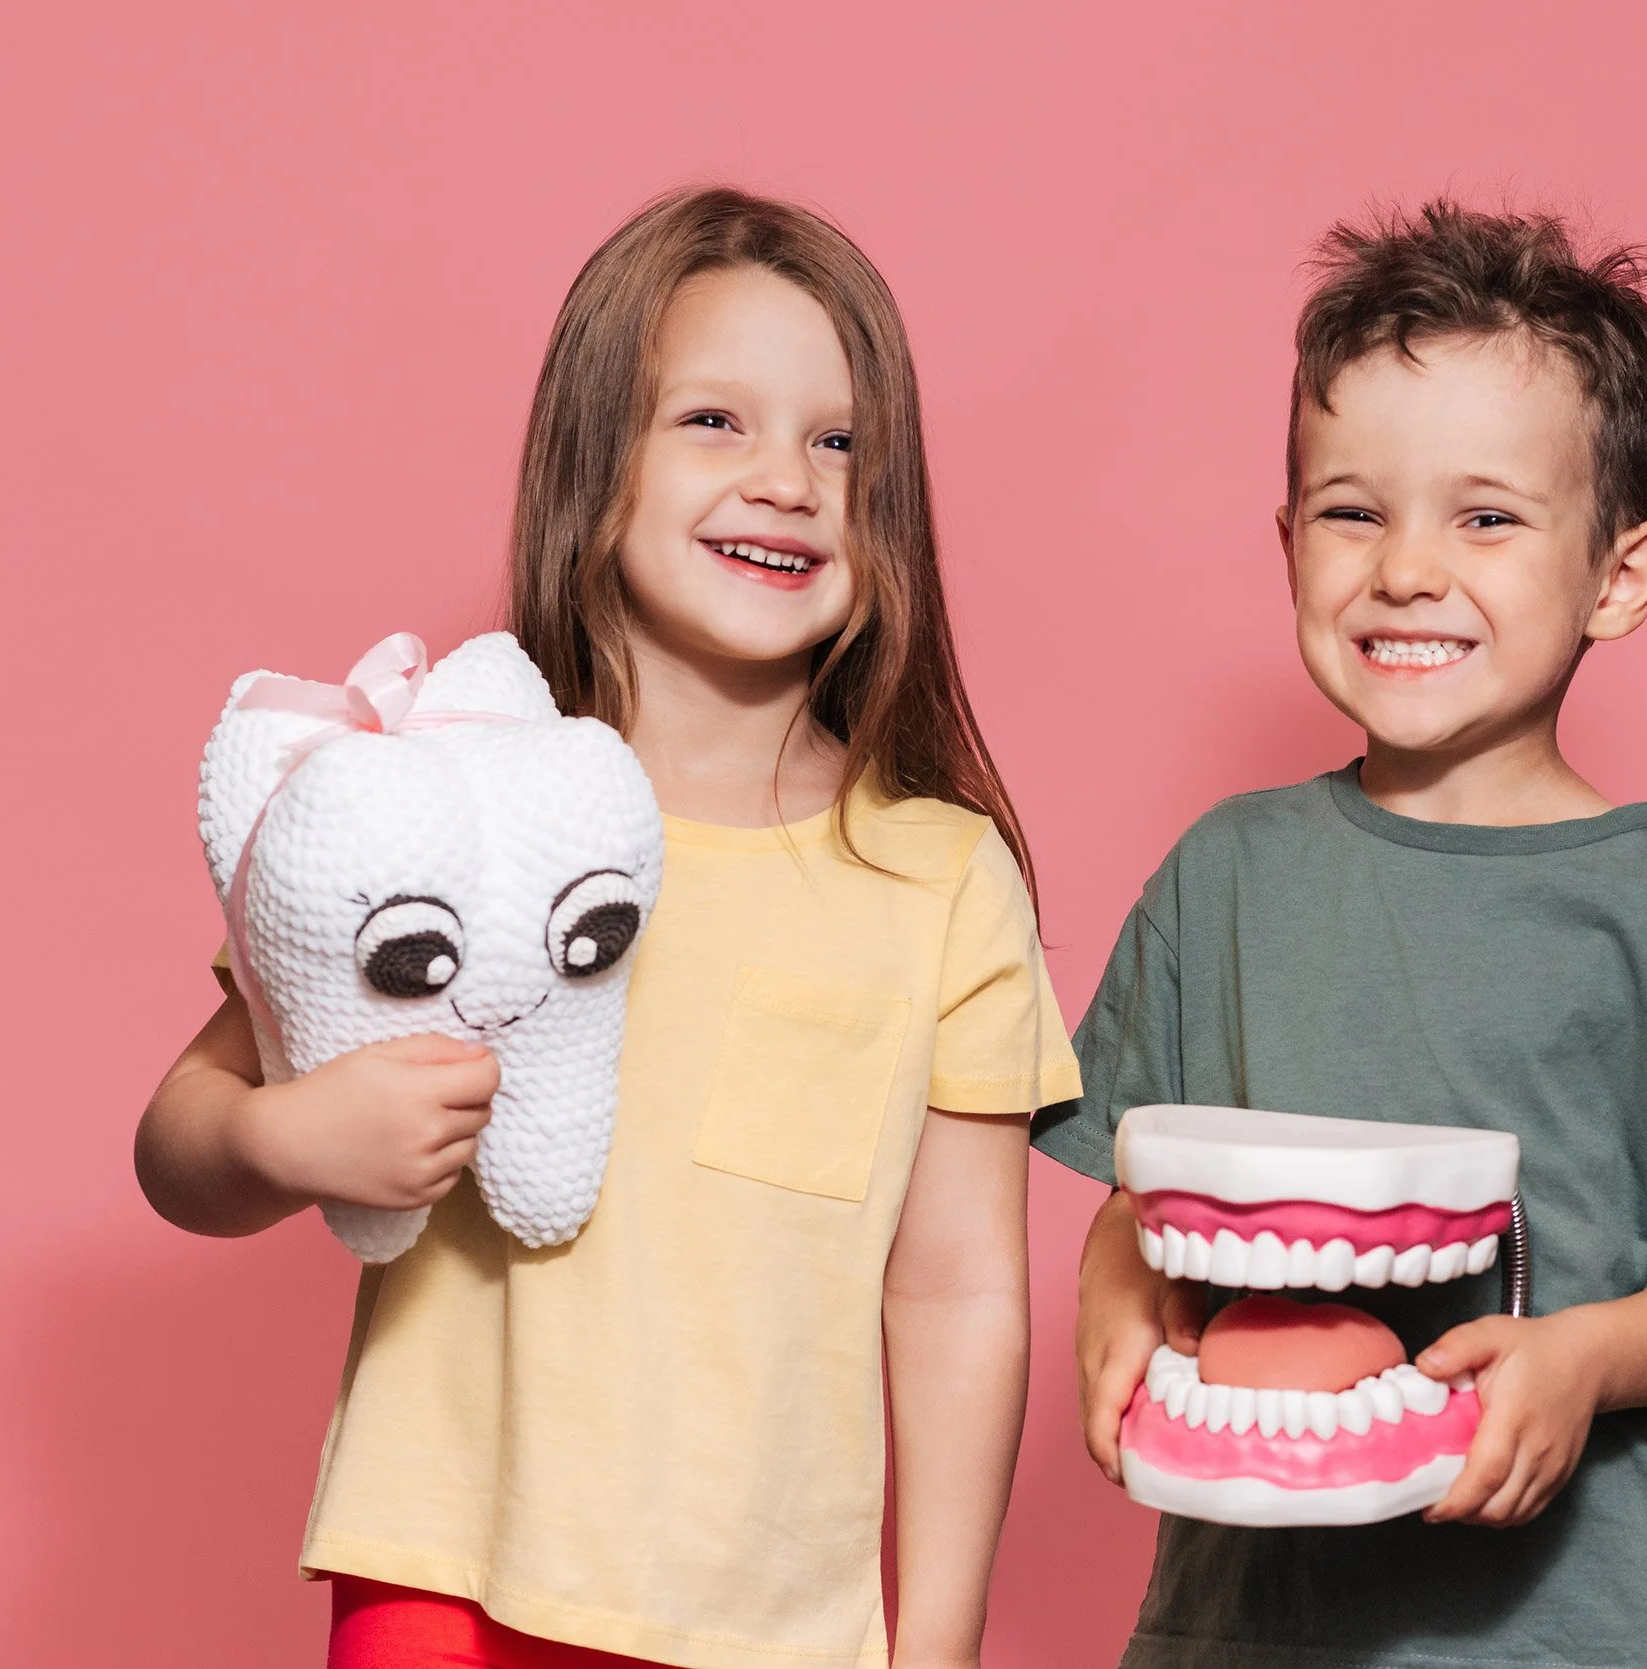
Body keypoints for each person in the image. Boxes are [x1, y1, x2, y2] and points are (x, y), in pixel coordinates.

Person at [136, 187, 1078, 1669]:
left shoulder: (942, 877)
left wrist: (940, 1637)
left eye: (840, 443)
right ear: (598, 460)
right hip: (443, 1577)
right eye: (717, 421)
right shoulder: (440, 798)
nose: (788, 479)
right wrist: (281, 1140)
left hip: (772, 1629)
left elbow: (958, 1291)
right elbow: (182, 1134)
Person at [1033, 200, 1647, 1669]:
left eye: (1488, 516)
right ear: (1287, 543)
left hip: (1562, 1628)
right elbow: (1132, 1194)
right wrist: (1114, 1298)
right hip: (1247, 1623)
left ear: (1618, 576)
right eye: (1352, 510)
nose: (1404, 569)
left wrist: (1581, 1359)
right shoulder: (1226, 875)